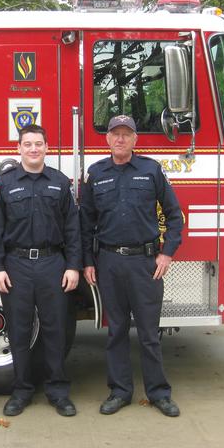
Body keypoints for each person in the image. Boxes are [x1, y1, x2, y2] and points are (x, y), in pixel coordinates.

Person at [80, 114, 183, 417]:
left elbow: (174, 216)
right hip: (109, 263)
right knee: (116, 332)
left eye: (127, 134)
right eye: (116, 134)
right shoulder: (96, 173)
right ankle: (120, 391)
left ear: (135, 139)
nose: (121, 139)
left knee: (150, 334)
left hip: (145, 264)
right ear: (107, 139)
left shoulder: (151, 170)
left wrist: (167, 254)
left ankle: (159, 393)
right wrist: (87, 261)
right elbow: (85, 222)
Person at [0, 124, 81, 417]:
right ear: (19, 149)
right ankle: (21, 391)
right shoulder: (4, 185)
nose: (33, 149)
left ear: (47, 147)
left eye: (38, 144)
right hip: (16, 266)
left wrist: (73, 266)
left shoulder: (60, 182)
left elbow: (73, 229)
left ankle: (57, 391)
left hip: (53, 263)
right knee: (19, 330)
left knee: (56, 330)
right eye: (27, 144)